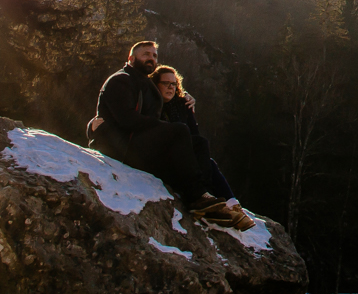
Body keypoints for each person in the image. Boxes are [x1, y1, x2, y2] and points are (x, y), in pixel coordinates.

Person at [88, 40, 238, 225]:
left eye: (154, 55)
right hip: (122, 148)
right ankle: (196, 196)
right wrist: (92, 127)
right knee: (178, 131)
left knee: (199, 143)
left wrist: (186, 99)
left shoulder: (147, 85)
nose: (151, 58)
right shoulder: (121, 80)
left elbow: (168, 90)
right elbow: (126, 119)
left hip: (139, 146)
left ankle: (207, 199)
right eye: (146, 54)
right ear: (131, 58)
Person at [153, 65, 255, 231]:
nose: (171, 87)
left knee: (208, 161)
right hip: (167, 159)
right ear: (155, 84)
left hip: (187, 156)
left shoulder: (182, 105)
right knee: (203, 154)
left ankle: (233, 206)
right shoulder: (153, 105)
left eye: (174, 84)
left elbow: (195, 134)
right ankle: (208, 198)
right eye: (166, 83)